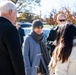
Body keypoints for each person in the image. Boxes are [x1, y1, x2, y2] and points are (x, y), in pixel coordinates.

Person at [0, 1, 25, 75]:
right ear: (10, 12)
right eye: (16, 13)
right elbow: (16, 58)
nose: (16, 17)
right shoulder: (10, 29)